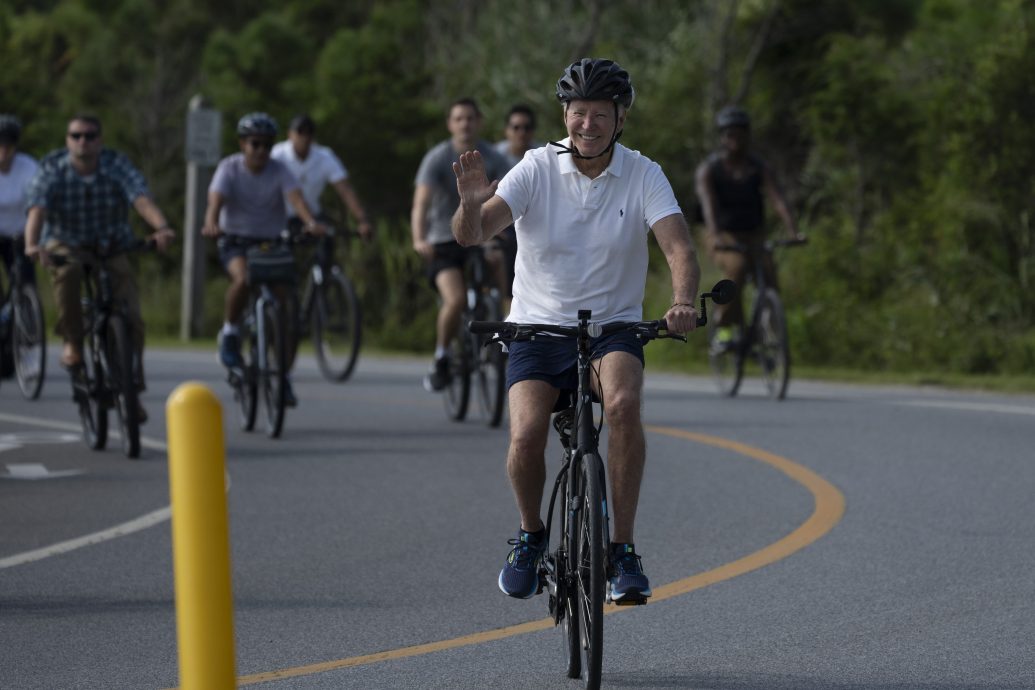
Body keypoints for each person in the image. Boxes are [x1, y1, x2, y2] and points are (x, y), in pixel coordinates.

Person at [451, 58, 701, 602]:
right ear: (565, 114)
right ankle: (530, 535)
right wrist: (470, 207)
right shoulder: (536, 168)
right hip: (537, 329)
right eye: (578, 113)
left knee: (624, 405)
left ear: (621, 119)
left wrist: (682, 300)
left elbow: (678, 246)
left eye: (600, 115)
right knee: (525, 434)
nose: (587, 125)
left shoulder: (642, 173)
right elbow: (475, 233)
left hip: (612, 329)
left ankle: (622, 551)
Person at [23, 114, 176, 422]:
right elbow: (37, 208)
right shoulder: (53, 167)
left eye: (90, 136)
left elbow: (140, 198)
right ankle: (73, 342)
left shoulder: (115, 164)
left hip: (111, 244)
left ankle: (131, 391)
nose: (83, 142)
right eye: (76, 135)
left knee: (131, 317)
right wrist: (32, 244)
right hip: (67, 242)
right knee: (69, 272)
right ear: (68, 139)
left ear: (100, 140)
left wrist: (161, 227)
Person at [202, 112, 326, 408]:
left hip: (271, 242)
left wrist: (310, 221)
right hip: (235, 240)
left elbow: (296, 199)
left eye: (267, 145)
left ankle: (281, 375)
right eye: (255, 144)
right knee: (244, 279)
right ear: (243, 144)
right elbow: (215, 201)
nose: (261, 151)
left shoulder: (279, 169)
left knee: (286, 311)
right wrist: (211, 222)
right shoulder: (229, 168)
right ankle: (230, 333)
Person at [411, 98, 510, 392]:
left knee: (500, 261)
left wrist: (503, 226)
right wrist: (419, 239)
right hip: (443, 240)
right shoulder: (437, 157)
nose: (465, 124)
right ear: (450, 124)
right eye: (458, 119)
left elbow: (510, 193)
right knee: (454, 299)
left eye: (470, 118)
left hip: (482, 236)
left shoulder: (493, 156)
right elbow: (421, 204)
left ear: (479, 121)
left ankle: (506, 322)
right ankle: (441, 356)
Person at [695, 106, 803, 345]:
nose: (736, 139)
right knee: (738, 268)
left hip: (753, 233)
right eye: (730, 134)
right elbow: (708, 206)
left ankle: (768, 329)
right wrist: (716, 236)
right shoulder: (709, 170)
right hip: (722, 233)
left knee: (769, 273)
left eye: (740, 133)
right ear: (722, 137)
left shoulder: (758, 167)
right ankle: (724, 328)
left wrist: (793, 230)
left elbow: (777, 199)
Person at [271, 114, 373, 238]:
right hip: (279, 217)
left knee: (325, 244)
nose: (305, 137)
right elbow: (293, 195)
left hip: (313, 215)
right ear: (290, 134)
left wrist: (362, 220)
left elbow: (345, 190)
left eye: (309, 132)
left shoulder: (325, 156)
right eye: (300, 132)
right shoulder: (277, 155)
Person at [0, 115, 38, 292]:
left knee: (26, 281)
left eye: (7, 146)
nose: (3, 151)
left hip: (21, 234)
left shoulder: (28, 166)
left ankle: (29, 315)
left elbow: (39, 199)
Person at [494, 104, 543, 168]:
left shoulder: (542, 156)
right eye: (516, 128)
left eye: (527, 128)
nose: (522, 133)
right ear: (506, 130)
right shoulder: (495, 155)